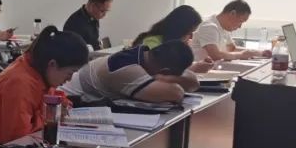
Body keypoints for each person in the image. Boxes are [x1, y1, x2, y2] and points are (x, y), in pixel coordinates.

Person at [0, 26, 89, 145]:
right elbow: (18, 140)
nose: (69, 79)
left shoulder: (40, 72)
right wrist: (51, 118)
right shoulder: (20, 84)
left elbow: (52, 99)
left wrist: (62, 106)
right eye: (70, 73)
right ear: (52, 64)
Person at [62, 40, 198, 104]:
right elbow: (176, 93)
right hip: (71, 97)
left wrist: (163, 78)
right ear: (165, 71)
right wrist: (164, 79)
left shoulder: (143, 54)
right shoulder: (129, 69)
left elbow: (194, 82)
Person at [133, 5, 215, 73]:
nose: (191, 37)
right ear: (179, 30)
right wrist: (195, 68)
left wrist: (196, 64)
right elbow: (160, 71)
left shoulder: (175, 45)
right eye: (189, 32)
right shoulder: (152, 42)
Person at [191, 0, 267, 61]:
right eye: (241, 21)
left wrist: (258, 53)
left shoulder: (223, 27)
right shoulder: (209, 27)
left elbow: (232, 49)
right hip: (201, 72)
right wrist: (241, 55)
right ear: (232, 13)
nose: (240, 26)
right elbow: (215, 55)